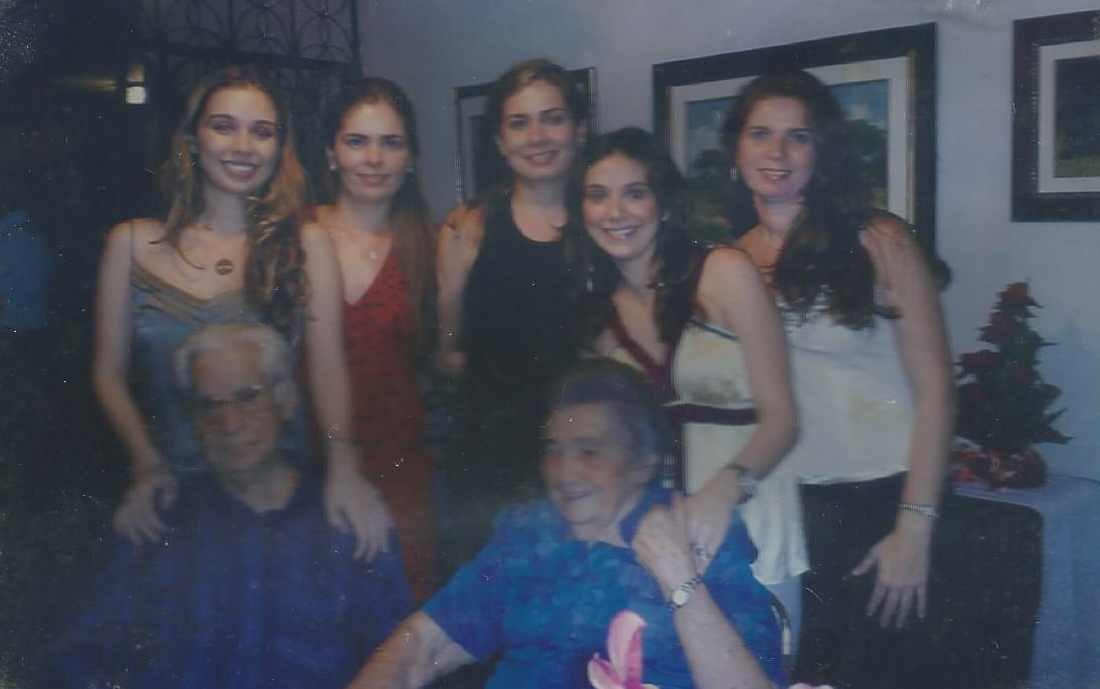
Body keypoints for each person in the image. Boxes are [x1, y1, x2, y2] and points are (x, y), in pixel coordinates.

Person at [91, 65, 391, 558]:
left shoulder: (306, 244)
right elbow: (107, 374)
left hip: (280, 498)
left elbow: (328, 370)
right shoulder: (129, 245)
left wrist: (343, 468)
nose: (244, 146)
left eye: (263, 132)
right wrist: (145, 465)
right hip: (172, 497)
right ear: (193, 138)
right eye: (223, 126)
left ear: (280, 148)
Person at [346, 358, 785, 689]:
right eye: (554, 451)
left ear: (644, 460)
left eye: (589, 452)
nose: (564, 472)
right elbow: (422, 647)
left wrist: (679, 578)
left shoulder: (698, 531)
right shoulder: (527, 535)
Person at [721, 70, 954, 687]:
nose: (776, 152)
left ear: (821, 151)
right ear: (736, 149)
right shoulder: (728, 261)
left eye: (797, 136)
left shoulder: (880, 240)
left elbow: (937, 389)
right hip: (786, 510)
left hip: (886, 504)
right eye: (760, 134)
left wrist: (914, 527)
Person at [40, 323, 413, 689]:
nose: (229, 423)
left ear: (285, 401)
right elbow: (76, 656)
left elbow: (404, 663)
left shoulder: (349, 522)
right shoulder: (159, 522)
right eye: (209, 405)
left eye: (247, 397)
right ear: (192, 418)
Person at [565, 126, 803, 637]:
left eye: (635, 192)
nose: (615, 212)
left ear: (665, 204)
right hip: (655, 542)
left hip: (753, 519)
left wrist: (722, 493)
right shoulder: (595, 321)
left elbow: (783, 420)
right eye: (597, 195)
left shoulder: (725, 272)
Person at [435, 58, 587, 567]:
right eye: (519, 123)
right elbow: (446, 354)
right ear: (500, 141)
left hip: (583, 457)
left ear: (579, 130)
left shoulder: (607, 225)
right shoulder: (466, 229)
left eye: (553, 118)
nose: (537, 137)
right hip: (490, 459)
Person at [313, 76, 437, 601]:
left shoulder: (430, 245)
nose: (374, 158)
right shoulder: (290, 237)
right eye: (356, 141)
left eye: (391, 142)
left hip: (399, 474)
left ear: (410, 158)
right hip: (306, 465)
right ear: (331, 154)